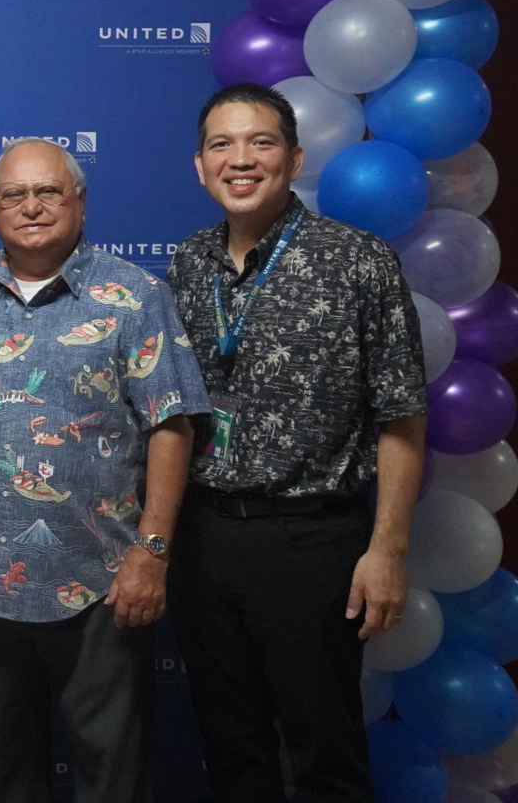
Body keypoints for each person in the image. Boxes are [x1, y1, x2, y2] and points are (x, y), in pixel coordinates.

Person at [166, 83, 427, 802]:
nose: (240, 159)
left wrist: (387, 551)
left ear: (295, 158)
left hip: (312, 544)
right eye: (221, 145)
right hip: (204, 539)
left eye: (261, 142)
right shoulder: (187, 264)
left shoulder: (358, 261)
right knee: (231, 750)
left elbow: (402, 417)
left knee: (325, 754)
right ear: (200, 166)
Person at [0, 137, 209, 803]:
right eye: (14, 195)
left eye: (48, 191)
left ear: (81, 203)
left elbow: (171, 426)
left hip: (104, 580)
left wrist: (152, 551)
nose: (31, 206)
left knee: (111, 773)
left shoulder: (134, 294)